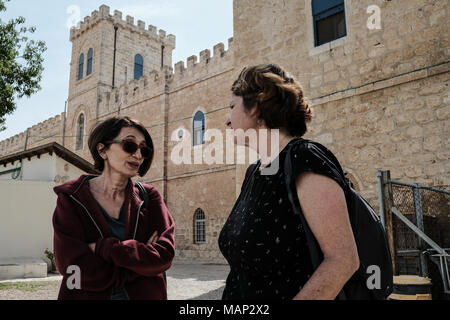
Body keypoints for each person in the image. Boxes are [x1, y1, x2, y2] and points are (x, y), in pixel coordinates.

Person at [219, 64, 360, 300]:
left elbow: (343, 260)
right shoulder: (254, 172)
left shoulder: (304, 158)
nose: (227, 120)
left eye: (232, 106)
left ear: (257, 104)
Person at [52, 116, 175, 300]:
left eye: (144, 149)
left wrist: (103, 248)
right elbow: (72, 268)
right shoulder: (72, 198)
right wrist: (139, 267)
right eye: (130, 145)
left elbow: (164, 256)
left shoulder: (150, 197)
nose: (139, 155)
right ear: (102, 150)